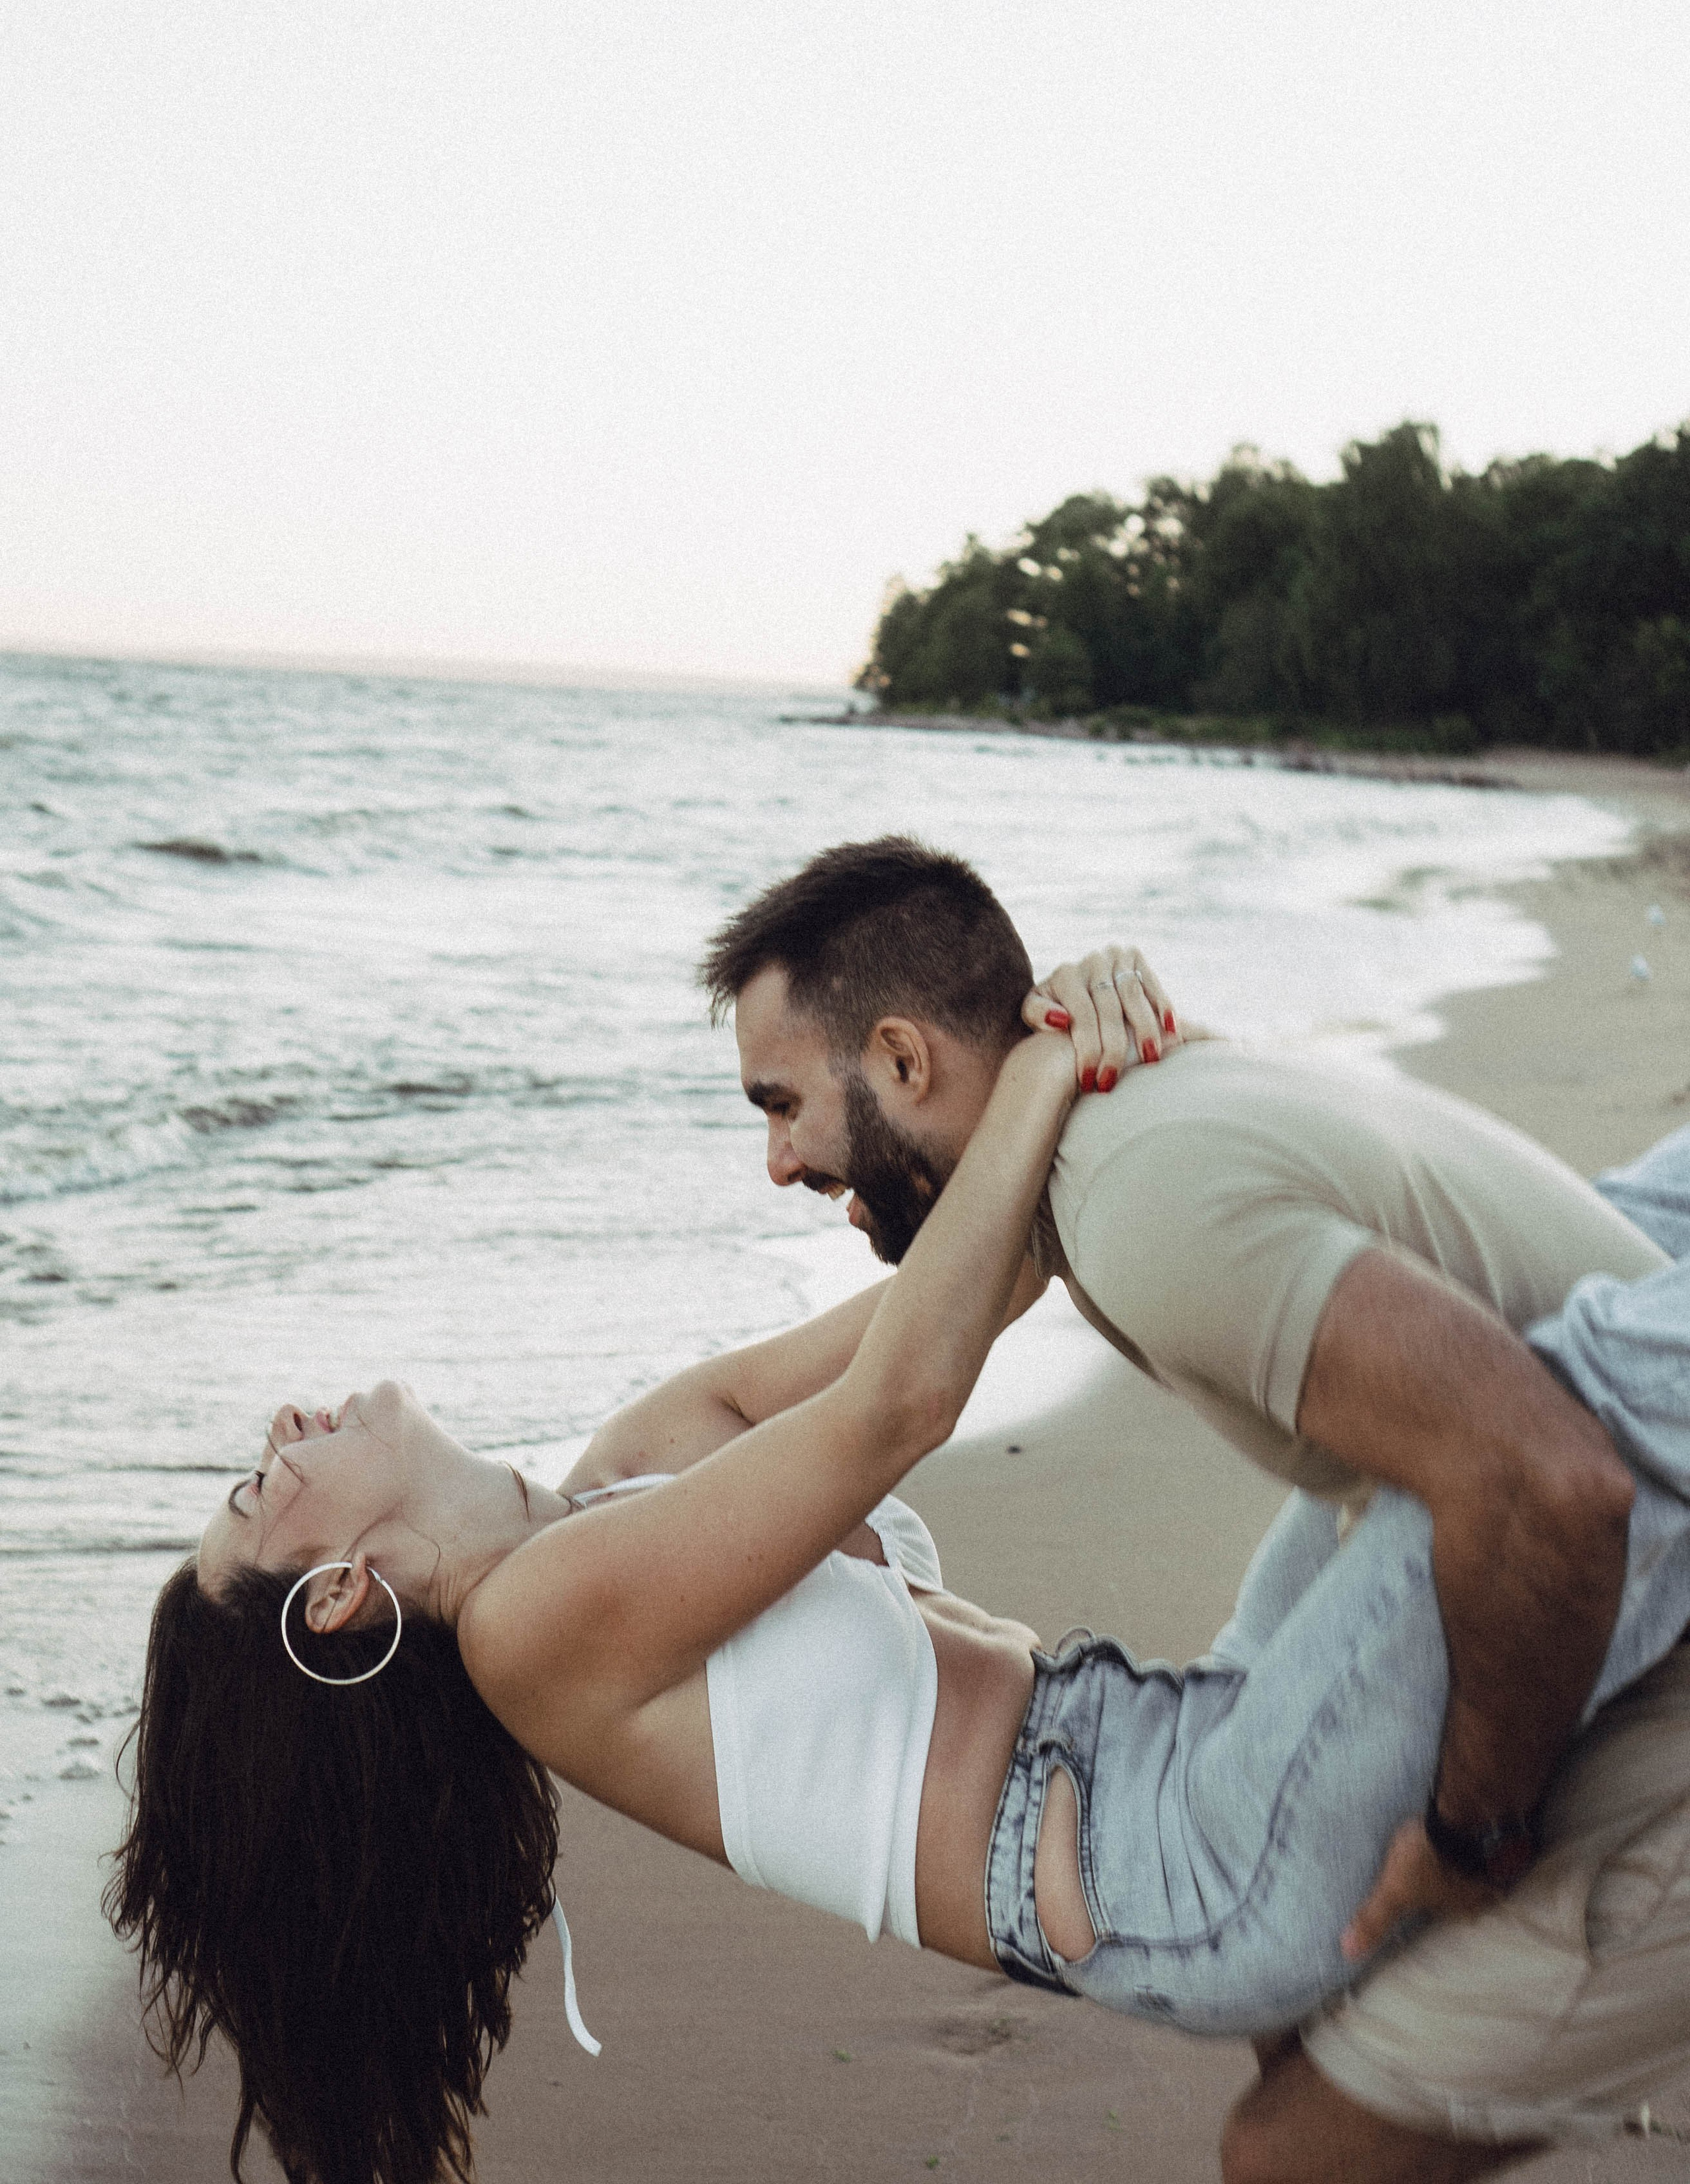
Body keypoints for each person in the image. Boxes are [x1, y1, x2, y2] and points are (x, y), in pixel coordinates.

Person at [110, 993, 1690, 2184]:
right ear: (338, 1603)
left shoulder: (632, 1465)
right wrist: (1050, 1060)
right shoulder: (536, 1638)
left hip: (1191, 1722)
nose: (282, 1432)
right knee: (1559, 1430)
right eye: (262, 1494)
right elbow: (901, 1406)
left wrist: (1114, 1047)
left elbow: (968, 1286)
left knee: (1565, 1307)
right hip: (1189, 1862)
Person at [700, 836, 1690, 2171]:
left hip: (1641, 1589)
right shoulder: (1116, 1132)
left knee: (1291, 2153)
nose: (775, 1163)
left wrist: (1474, 1828)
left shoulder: (1135, 1205)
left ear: (899, 1060)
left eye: (778, 1105)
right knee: (1300, 2024)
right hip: (1618, 1563)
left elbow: (1553, 1486)